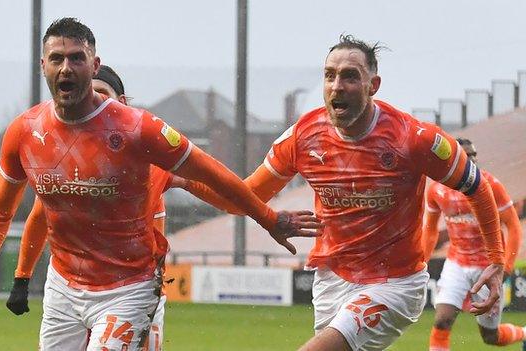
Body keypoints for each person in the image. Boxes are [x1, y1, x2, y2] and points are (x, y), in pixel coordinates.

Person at [0, 18, 319, 351]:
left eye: (77, 58)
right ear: (43, 66)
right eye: (57, 59)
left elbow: (213, 175)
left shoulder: (139, 131)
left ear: (95, 65)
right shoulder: (24, 132)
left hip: (128, 287)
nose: (66, 67)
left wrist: (268, 218)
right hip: (63, 287)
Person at [177, 34, 505, 351]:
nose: (337, 86)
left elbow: (477, 187)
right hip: (331, 278)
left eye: (350, 76)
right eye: (329, 76)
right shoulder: (303, 136)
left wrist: (497, 259)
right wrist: (185, 178)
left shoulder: (413, 138)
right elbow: (244, 198)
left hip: (394, 284)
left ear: (372, 86)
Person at [6, 64, 177, 351]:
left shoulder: (150, 156)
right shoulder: (67, 163)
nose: (92, 103)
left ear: (121, 104)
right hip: (73, 292)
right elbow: (38, 218)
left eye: (100, 94)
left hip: (130, 292)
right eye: (89, 95)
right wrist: (21, 279)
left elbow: (211, 185)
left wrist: (259, 209)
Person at [423, 138, 524, 350]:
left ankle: (524, 333)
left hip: (488, 266)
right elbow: (430, 230)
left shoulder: (490, 185)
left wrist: (504, 269)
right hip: (456, 264)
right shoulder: (437, 191)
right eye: (466, 156)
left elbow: (514, 227)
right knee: (442, 320)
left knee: (490, 337)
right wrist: (422, 262)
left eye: (474, 156)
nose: (472, 161)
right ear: (452, 160)